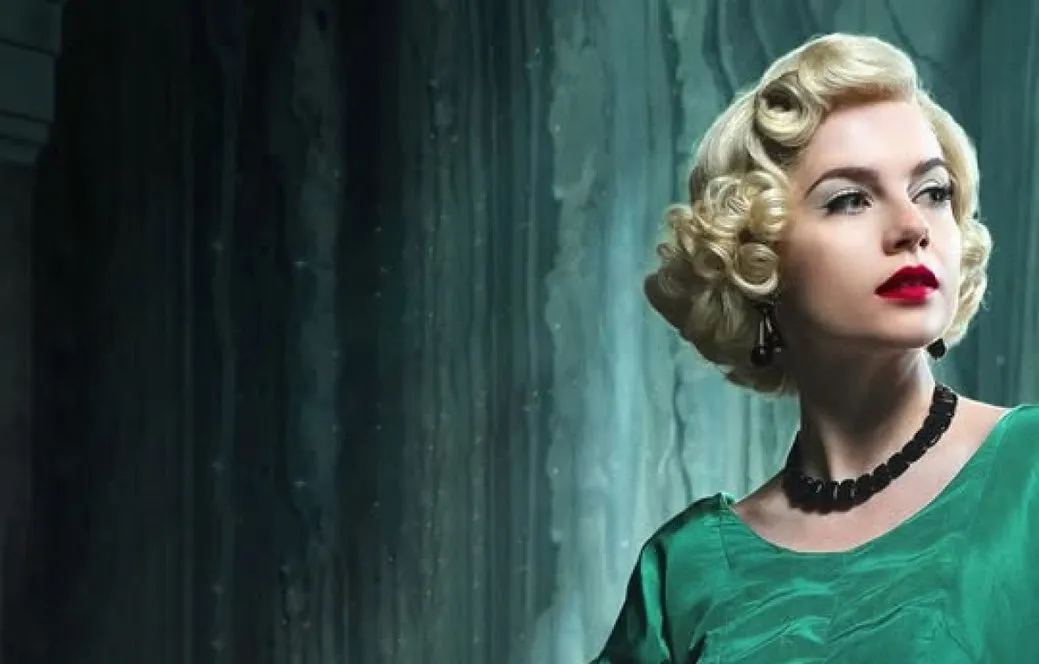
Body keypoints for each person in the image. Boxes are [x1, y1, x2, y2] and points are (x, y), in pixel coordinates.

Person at [591, 32, 1039, 663]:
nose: (913, 226)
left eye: (933, 191)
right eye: (850, 199)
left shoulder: (1029, 475)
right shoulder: (686, 573)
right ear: (757, 259)